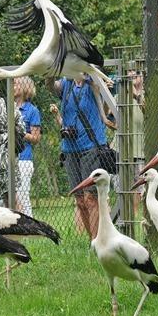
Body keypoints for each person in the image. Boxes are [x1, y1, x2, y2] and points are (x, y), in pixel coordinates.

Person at [47, 75, 107, 240]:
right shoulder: (66, 83)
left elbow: (103, 90)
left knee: (90, 198)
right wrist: (49, 71)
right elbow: (51, 86)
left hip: (91, 146)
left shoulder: (92, 82)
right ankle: (92, 241)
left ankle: (98, 240)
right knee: (80, 199)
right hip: (70, 148)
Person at [14, 76, 41, 216]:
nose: (12, 86)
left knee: (22, 196)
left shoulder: (32, 110)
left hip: (24, 158)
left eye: (16, 84)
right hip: (7, 157)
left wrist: (19, 132)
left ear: (25, 87)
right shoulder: (6, 107)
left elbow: (36, 138)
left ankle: (29, 225)